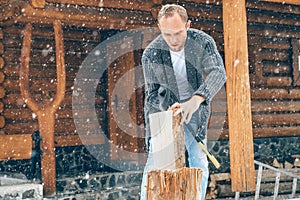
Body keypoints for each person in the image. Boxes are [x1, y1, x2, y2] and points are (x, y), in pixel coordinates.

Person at [140, 4, 226, 200]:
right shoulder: (151, 54)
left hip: (195, 111)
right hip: (165, 115)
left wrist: (197, 99)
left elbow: (218, 73)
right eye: (167, 34)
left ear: (187, 25)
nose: (173, 40)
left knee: (199, 163)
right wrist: (166, 108)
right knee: (155, 164)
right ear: (159, 28)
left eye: (178, 33)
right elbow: (152, 94)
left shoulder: (202, 42)